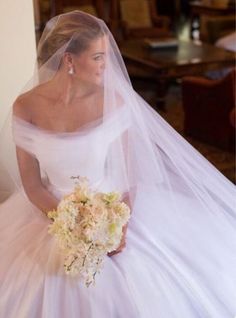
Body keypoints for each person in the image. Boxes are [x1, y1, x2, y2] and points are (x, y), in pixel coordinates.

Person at [0, 11, 235, 318]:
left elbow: (128, 174)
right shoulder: (26, 107)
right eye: (98, 57)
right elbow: (32, 184)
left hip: (114, 206)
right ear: (69, 60)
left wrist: (117, 226)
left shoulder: (115, 100)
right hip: (51, 211)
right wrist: (71, 223)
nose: (107, 66)